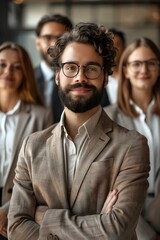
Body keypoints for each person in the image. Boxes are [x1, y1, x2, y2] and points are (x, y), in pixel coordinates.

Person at [8, 23, 150, 240]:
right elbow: (16, 226)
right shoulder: (32, 145)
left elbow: (116, 230)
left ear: (105, 77)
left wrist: (45, 218)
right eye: (71, 67)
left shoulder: (132, 145)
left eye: (91, 68)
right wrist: (97, 224)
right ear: (57, 75)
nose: (80, 77)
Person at [104, 37, 160, 240]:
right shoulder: (108, 118)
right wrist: (145, 234)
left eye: (151, 63)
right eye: (136, 63)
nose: (144, 69)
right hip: (125, 221)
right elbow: (107, 182)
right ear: (125, 70)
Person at [0, 42, 53, 239]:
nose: (8, 72)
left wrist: (6, 210)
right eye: (2, 64)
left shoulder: (41, 116)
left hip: (17, 209)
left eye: (17, 67)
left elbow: (40, 175)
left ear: (26, 73)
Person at [35, 13, 73, 123]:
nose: (53, 44)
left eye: (60, 38)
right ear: (37, 43)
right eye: (47, 38)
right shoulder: (25, 79)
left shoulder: (83, 79)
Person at [101, 28, 126, 106]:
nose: (113, 49)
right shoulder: (99, 77)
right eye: (110, 45)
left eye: (117, 45)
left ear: (124, 49)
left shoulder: (132, 76)